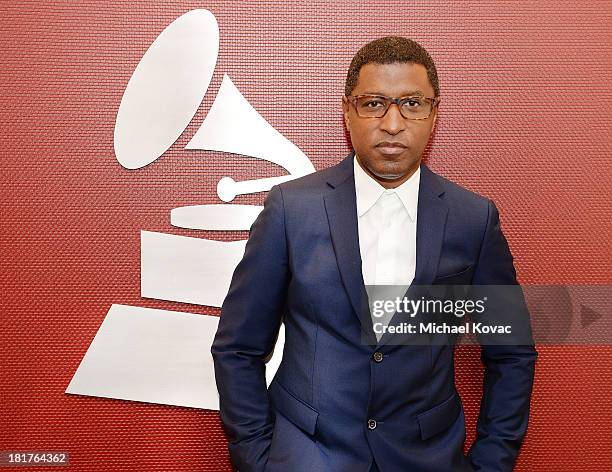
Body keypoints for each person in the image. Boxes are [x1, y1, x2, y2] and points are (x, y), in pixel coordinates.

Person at [211, 36, 537, 472]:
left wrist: (492, 462)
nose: (393, 123)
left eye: (412, 103)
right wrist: (257, 459)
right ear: (347, 111)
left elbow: (511, 353)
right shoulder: (291, 210)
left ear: (434, 113)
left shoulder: (472, 220)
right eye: (374, 104)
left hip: (427, 459)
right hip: (305, 457)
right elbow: (238, 349)